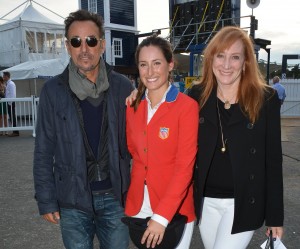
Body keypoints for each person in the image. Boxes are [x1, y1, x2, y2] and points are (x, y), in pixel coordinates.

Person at [33, 9, 133, 249]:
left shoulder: (122, 86)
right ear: (68, 46)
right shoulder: (53, 91)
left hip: (115, 196)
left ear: (102, 45)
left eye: (91, 40)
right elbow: (43, 150)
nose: (84, 48)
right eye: (76, 41)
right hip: (72, 200)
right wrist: (47, 201)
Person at [188, 26, 284, 249]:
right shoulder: (197, 95)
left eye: (235, 57)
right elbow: (168, 115)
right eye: (220, 56)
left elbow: (273, 161)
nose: (226, 65)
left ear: (245, 62)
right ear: (211, 59)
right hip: (206, 202)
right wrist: (142, 94)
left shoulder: (265, 99)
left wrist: (275, 216)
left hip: (243, 202)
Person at [125, 35, 199, 248]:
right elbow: (134, 152)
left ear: (170, 64)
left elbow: (184, 167)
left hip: (174, 209)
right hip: (139, 206)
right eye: (143, 65)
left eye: (156, 63)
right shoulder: (132, 107)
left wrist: (162, 217)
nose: (149, 72)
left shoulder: (186, 107)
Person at [3, 71, 19, 137]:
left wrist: (10, 103)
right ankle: (14, 131)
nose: (3, 77)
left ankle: (15, 132)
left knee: (12, 117)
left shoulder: (11, 84)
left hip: (11, 102)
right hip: (10, 102)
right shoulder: (8, 83)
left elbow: (13, 95)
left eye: (4, 76)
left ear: (7, 76)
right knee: (12, 117)